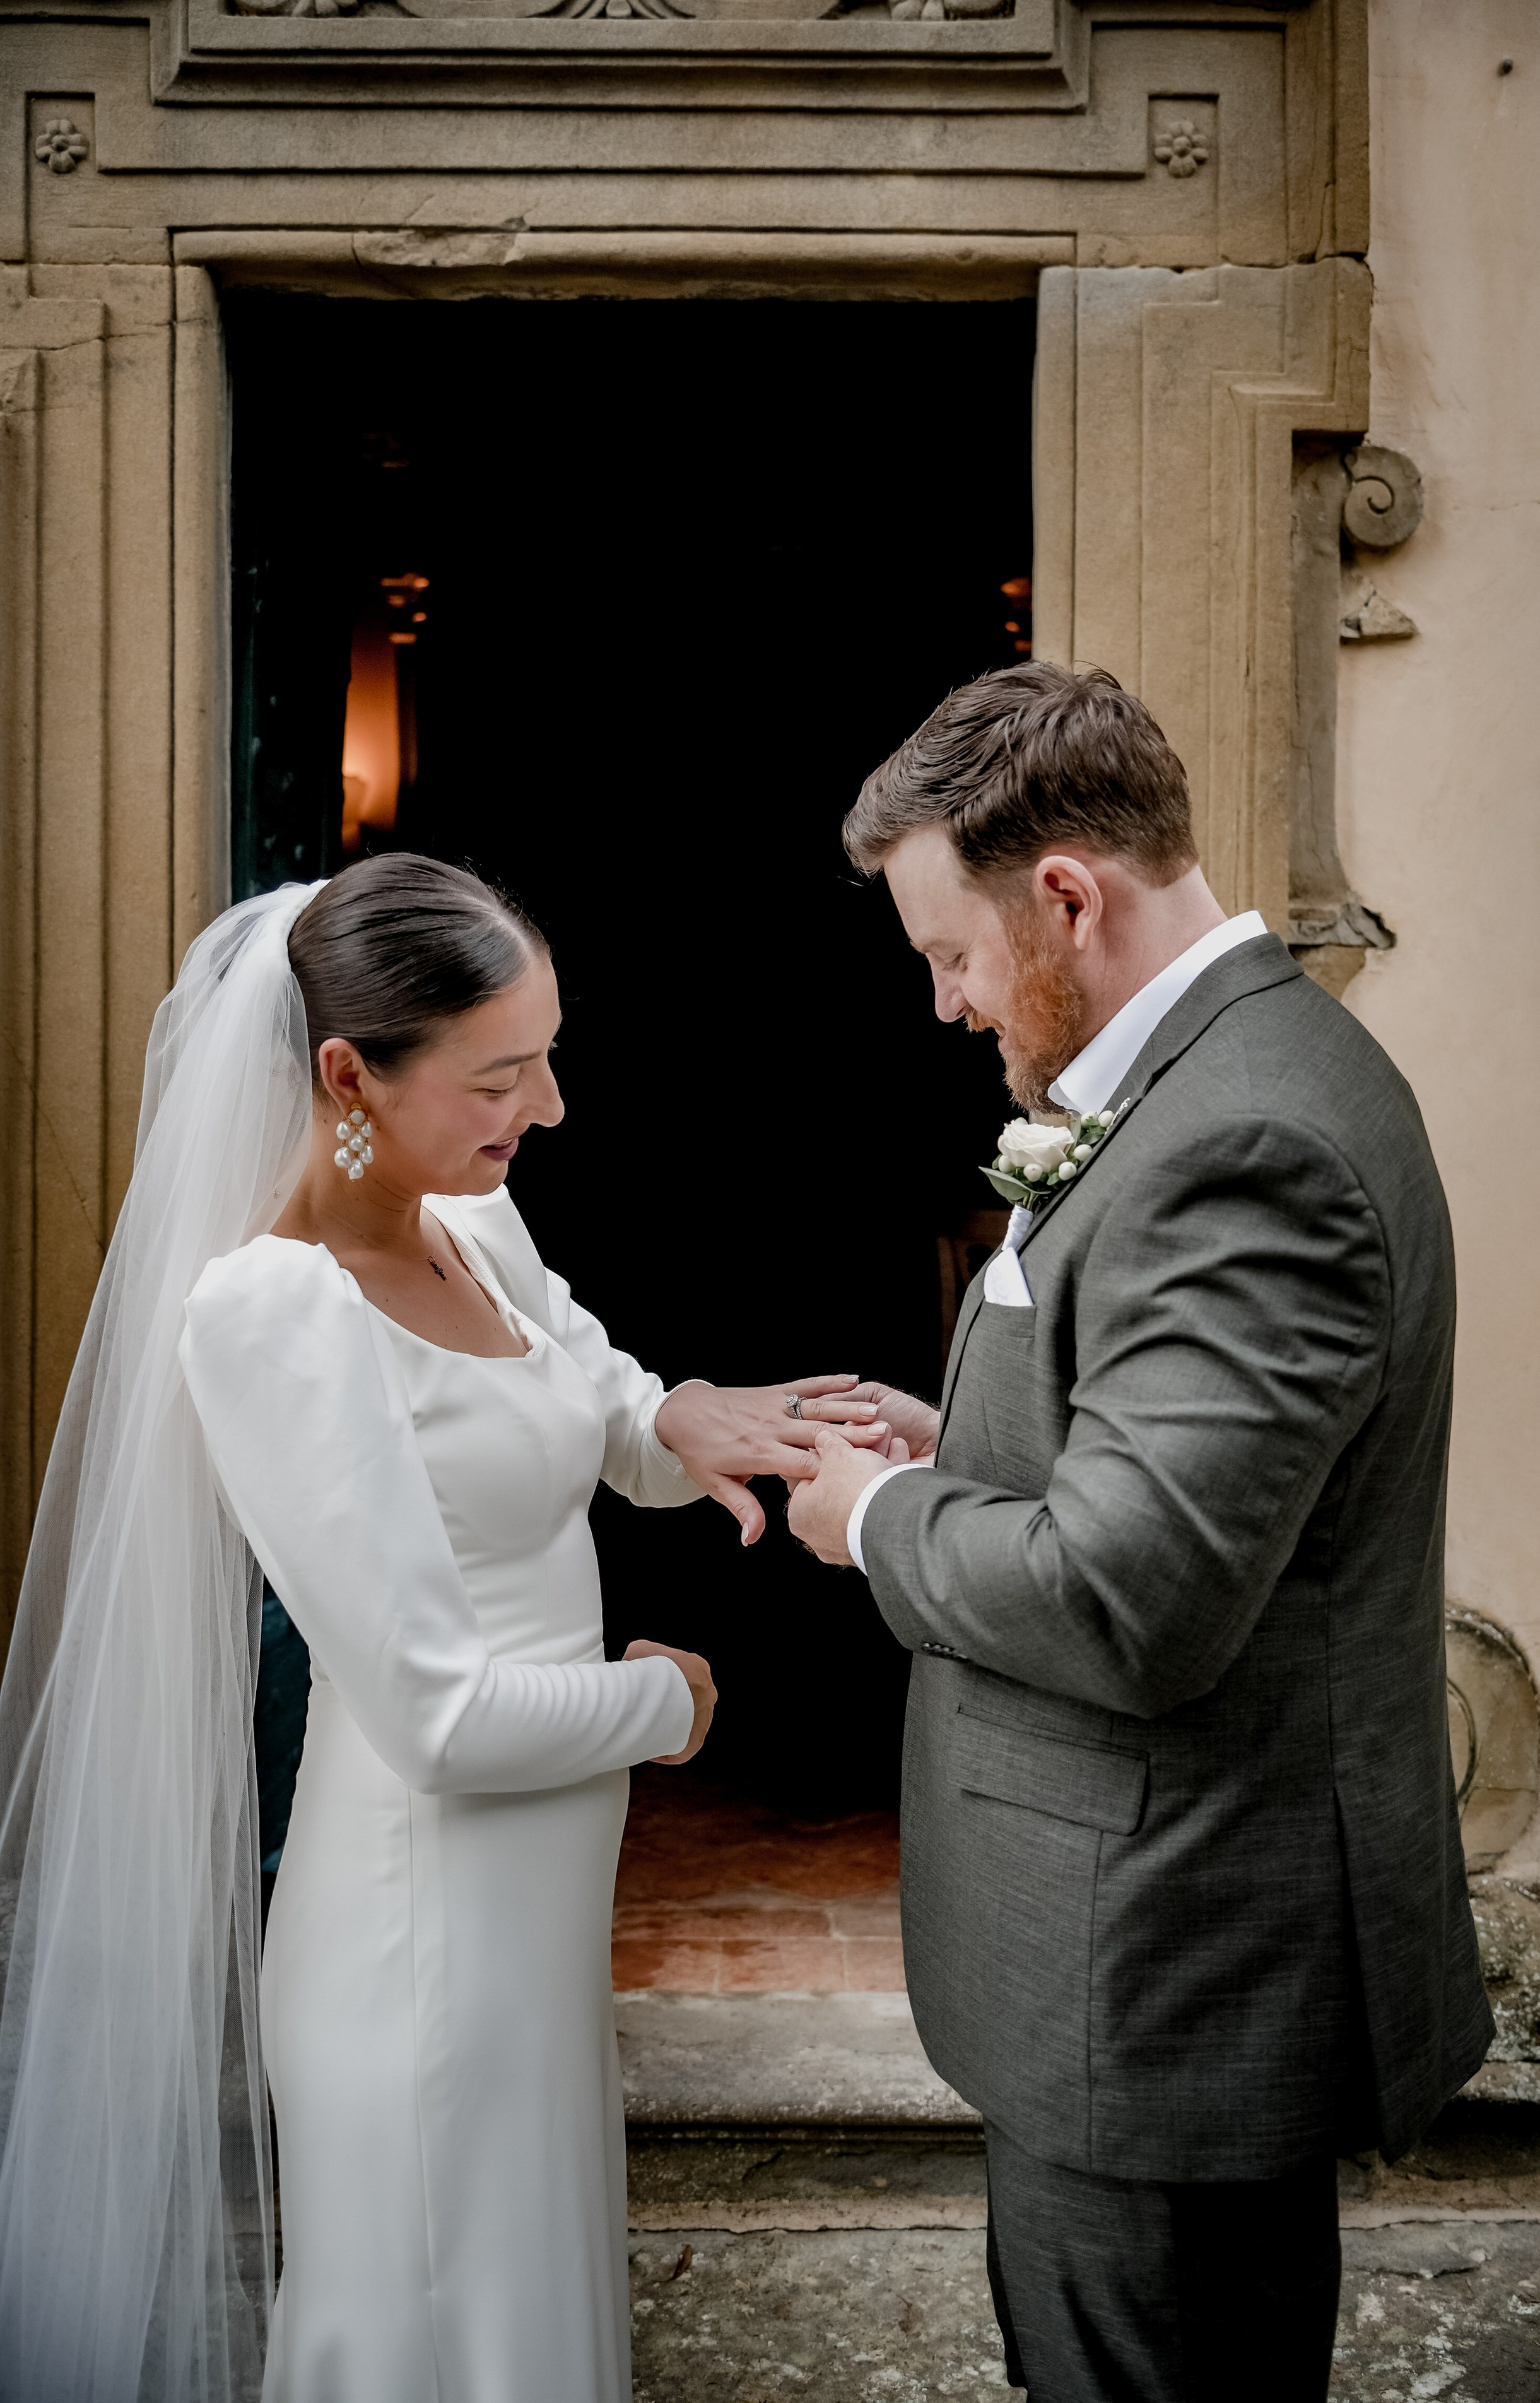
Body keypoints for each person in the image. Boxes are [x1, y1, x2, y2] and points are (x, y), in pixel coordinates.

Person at [0, 854, 891, 2403]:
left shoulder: (468, 1222)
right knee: (434, 2337)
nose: (544, 1108)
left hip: (531, 1927)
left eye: (545, 1057)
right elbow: (438, 1718)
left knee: (526, 2323)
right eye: (502, 1074)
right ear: (349, 1074)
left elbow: (578, 1395)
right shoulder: (272, 1315)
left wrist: (686, 1419)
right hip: (412, 1938)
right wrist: (664, 1706)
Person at [789, 664, 1492, 2403]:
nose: (951, 1006)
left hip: (1168, 1970)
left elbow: (1129, 1600)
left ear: (1068, 899)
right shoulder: (1226, 1070)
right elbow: (1195, 1484)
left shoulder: (1241, 1135)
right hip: (1155, 1953)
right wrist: (970, 1445)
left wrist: (873, 1511)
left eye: (950, 956)